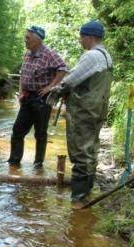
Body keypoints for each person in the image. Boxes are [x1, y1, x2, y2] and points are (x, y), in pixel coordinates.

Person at [48, 20, 113, 209]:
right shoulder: (106, 56)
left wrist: (56, 90)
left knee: (80, 151)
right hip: (97, 109)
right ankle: (87, 192)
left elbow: (70, 80)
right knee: (91, 149)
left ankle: (79, 199)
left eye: (81, 36)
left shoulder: (92, 56)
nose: (79, 40)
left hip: (84, 111)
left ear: (90, 37)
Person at [8, 26, 68, 169]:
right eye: (26, 37)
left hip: (42, 99)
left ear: (38, 39)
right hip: (27, 97)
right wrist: (21, 90)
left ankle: (38, 164)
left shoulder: (49, 54)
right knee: (17, 131)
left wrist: (50, 87)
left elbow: (63, 69)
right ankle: (14, 163)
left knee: (40, 133)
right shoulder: (28, 53)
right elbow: (23, 74)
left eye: (28, 37)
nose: (25, 40)